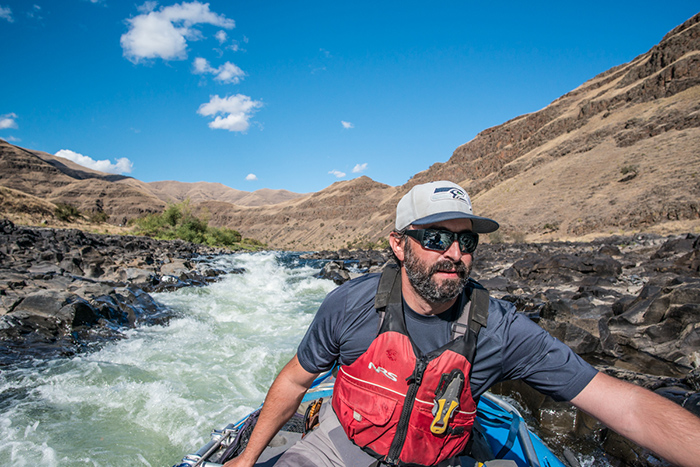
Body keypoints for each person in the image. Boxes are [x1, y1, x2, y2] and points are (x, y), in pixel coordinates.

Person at [224, 181, 700, 467]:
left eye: (466, 242)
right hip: (339, 446)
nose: (454, 254)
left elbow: (625, 406)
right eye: (435, 238)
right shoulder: (349, 305)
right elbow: (294, 380)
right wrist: (246, 460)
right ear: (398, 245)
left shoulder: (501, 329)